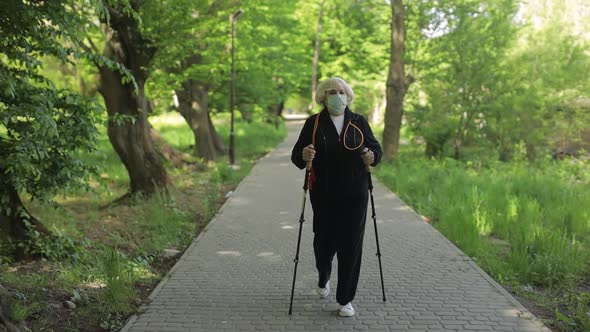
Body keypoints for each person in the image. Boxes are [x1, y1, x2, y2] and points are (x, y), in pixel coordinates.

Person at [291, 77, 382, 317]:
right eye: (332, 92)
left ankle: (345, 299)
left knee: (351, 246)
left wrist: (372, 157)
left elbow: (376, 150)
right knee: (323, 244)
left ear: (348, 96)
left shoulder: (358, 122)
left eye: (342, 92)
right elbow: (296, 158)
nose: (338, 96)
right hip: (324, 194)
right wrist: (304, 153)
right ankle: (324, 275)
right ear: (324, 96)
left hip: (355, 194)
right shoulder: (314, 123)